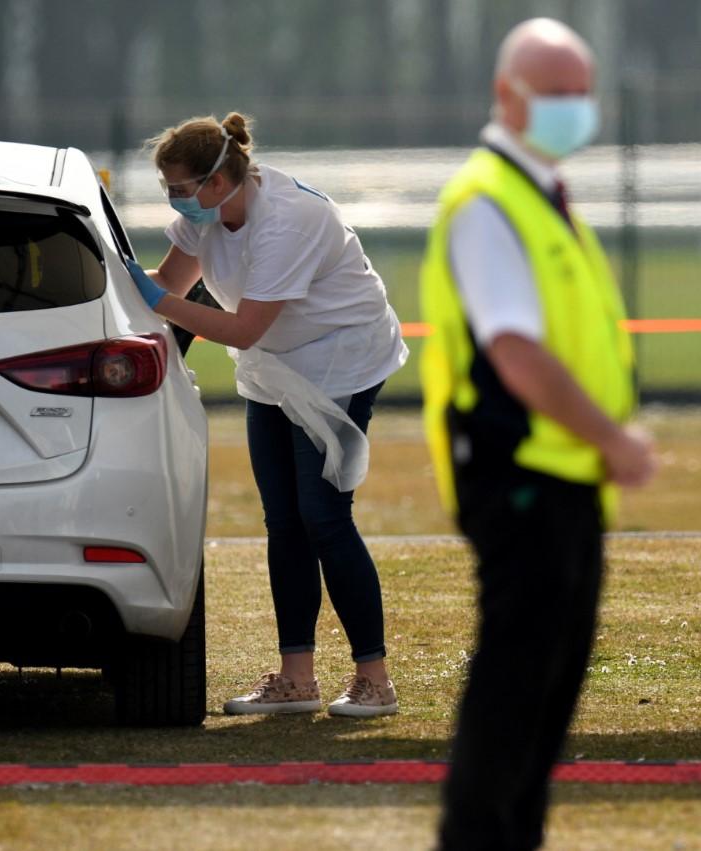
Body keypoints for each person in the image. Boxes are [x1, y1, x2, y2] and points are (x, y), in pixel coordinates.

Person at [419, 18, 657, 850]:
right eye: (555, 93)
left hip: (565, 477)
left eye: (582, 92)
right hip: (520, 476)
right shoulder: (490, 202)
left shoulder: (542, 197)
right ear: (507, 97)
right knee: (515, 691)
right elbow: (516, 353)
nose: (573, 109)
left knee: (546, 696)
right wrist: (615, 439)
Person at [127, 112, 407, 718]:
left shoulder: (288, 221)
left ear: (219, 180)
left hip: (341, 360)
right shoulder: (202, 216)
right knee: (283, 518)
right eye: (168, 190)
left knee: (324, 516)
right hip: (274, 368)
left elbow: (242, 327)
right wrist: (112, 276)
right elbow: (169, 282)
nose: (176, 202)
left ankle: (374, 680)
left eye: (181, 189)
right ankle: (296, 678)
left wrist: (159, 300)